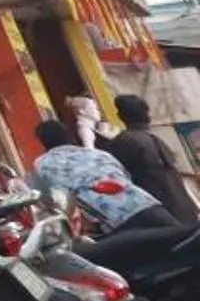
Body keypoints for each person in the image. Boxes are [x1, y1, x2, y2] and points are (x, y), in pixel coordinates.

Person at [33, 116, 181, 235]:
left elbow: (51, 197)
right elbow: (125, 176)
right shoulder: (97, 154)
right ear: (67, 135)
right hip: (143, 203)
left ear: (41, 142)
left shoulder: (42, 164)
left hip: (111, 218)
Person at [105, 94, 198, 224]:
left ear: (121, 116)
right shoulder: (150, 140)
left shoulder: (126, 141)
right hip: (179, 212)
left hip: (164, 216)